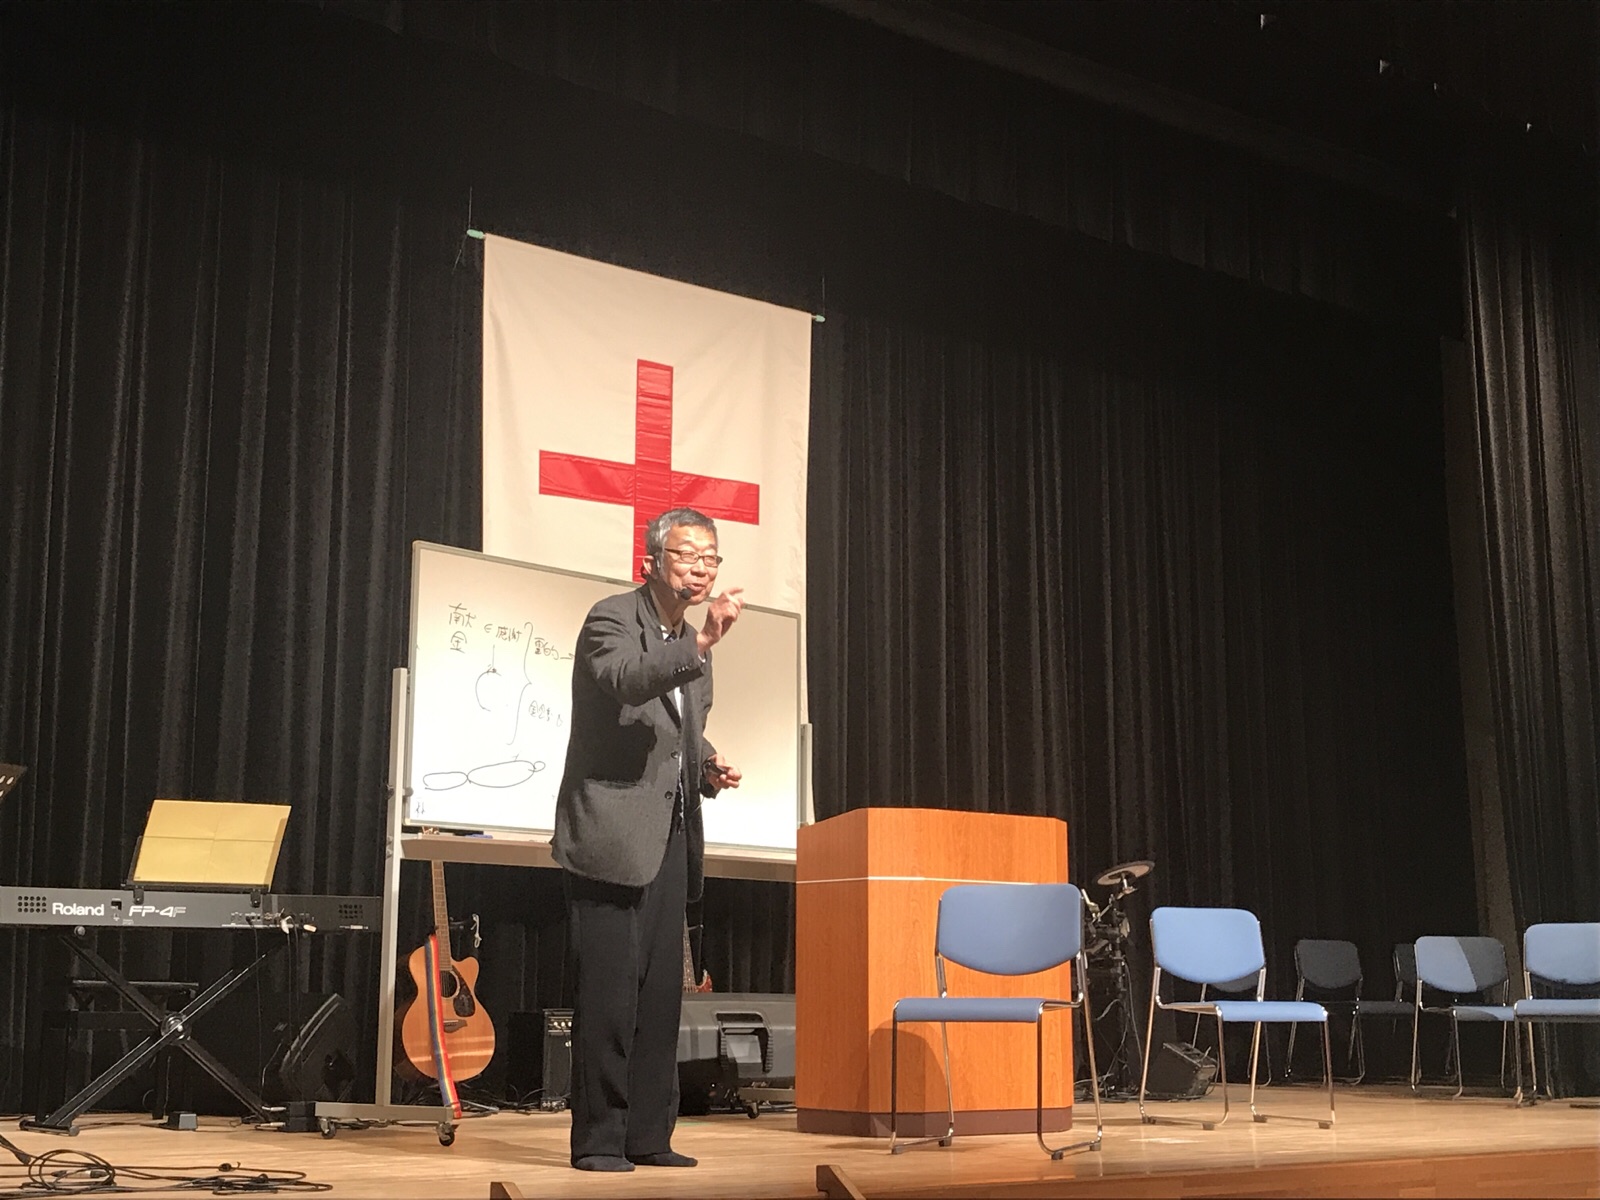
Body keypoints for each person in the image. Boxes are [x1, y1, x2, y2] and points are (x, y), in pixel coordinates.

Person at [551, 507, 744, 1172]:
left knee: (662, 998)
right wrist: (701, 644)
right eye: (687, 554)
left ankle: (648, 1135)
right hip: (610, 836)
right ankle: (600, 1139)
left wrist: (708, 764)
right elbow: (627, 682)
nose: (701, 568)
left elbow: (682, 731)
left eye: (711, 557)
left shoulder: (691, 643)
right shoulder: (611, 620)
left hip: (670, 838)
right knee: (608, 999)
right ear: (651, 562)